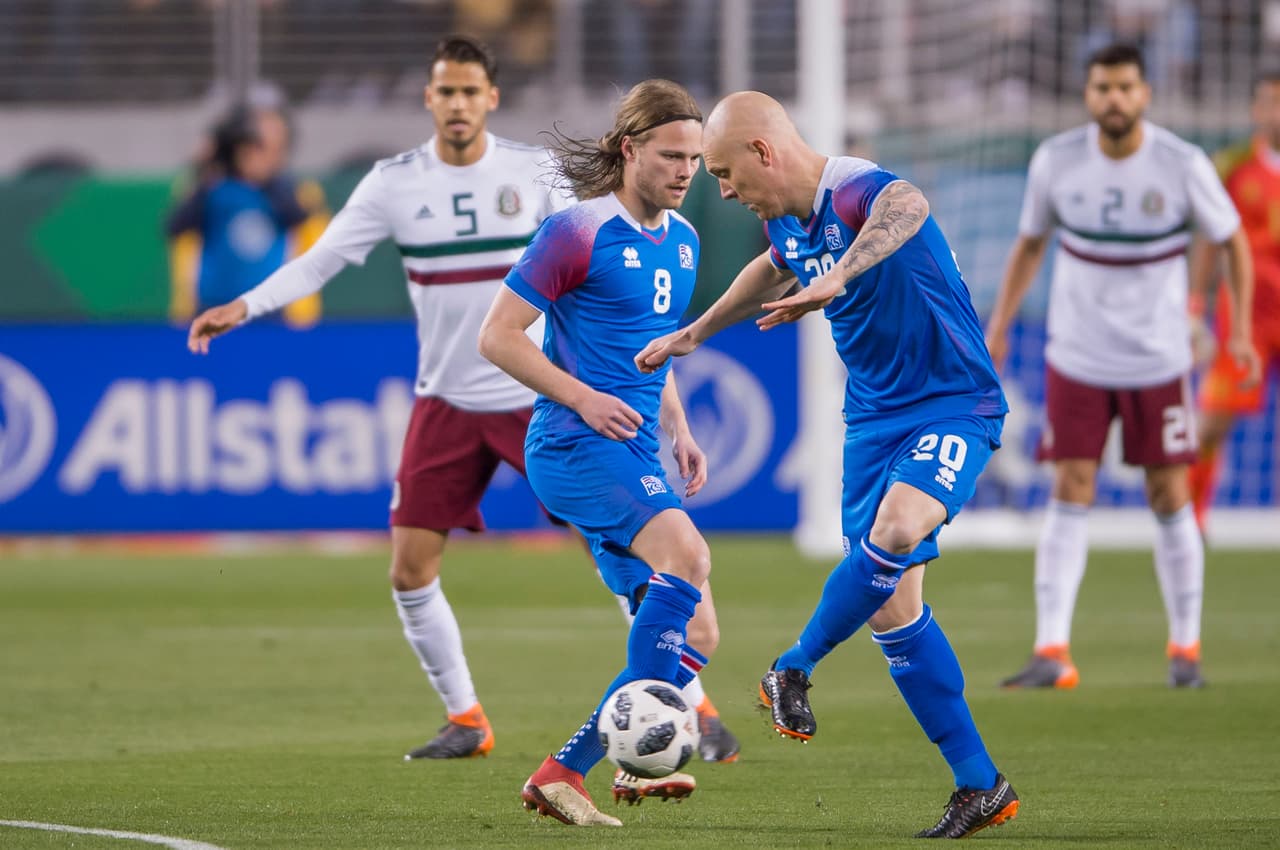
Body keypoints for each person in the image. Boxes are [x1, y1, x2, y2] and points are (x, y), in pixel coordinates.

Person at [186, 39, 737, 771]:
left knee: (630, 554)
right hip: (445, 395)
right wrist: (249, 305)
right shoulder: (394, 182)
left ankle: (683, 704)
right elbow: (325, 259)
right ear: (429, 98)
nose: (457, 105)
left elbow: (621, 296)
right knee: (409, 569)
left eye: (470, 92)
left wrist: (662, 412)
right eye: (445, 92)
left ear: (491, 98)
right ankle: (467, 717)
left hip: (536, 396)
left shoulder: (535, 175)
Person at [636, 90, 1020, 840]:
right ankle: (981, 784)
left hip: (952, 404)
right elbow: (772, 268)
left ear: (763, 153)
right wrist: (699, 331)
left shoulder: (854, 188)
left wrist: (842, 273)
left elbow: (905, 206)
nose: (721, 189)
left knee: (899, 528)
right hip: (872, 421)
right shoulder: (783, 217)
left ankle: (794, 663)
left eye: (723, 171)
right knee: (892, 607)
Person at [478, 79, 722, 827]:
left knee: (699, 634)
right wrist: (580, 395)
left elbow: (654, 350)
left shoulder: (684, 241)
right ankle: (612, 762)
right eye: (671, 156)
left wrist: (677, 426)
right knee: (688, 555)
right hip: (572, 443)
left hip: (636, 449)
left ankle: (568, 772)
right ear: (629, 149)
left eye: (695, 159)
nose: (686, 172)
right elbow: (497, 337)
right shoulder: (576, 231)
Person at [985, 44, 1257, 691]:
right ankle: (1052, 649)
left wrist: (1238, 326)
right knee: (1069, 485)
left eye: (1125, 87)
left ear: (1145, 94)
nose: (1114, 99)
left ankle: (1186, 649)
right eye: (1102, 87)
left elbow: (1233, 243)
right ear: (1088, 95)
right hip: (1076, 354)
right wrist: (998, 325)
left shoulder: (1181, 164)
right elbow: (1029, 245)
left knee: (1169, 492)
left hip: (1157, 357)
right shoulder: (1057, 160)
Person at [1188, 67, 1280, 532]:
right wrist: (1194, 306)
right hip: (1247, 317)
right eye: (1270, 102)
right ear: (1256, 109)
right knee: (1214, 422)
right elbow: (1209, 240)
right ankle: (1190, 521)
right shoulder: (1233, 167)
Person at [167, 103, 327, 326]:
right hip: (214, 305)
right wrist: (205, 169)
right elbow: (175, 226)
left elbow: (298, 217)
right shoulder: (213, 187)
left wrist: (264, 178)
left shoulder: (288, 188)